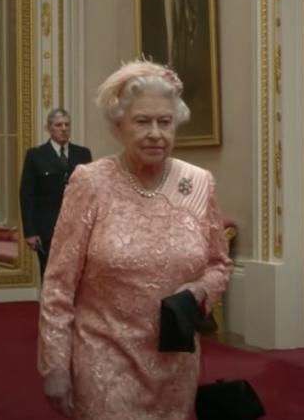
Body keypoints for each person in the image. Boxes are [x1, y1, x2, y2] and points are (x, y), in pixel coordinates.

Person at [38, 60, 232, 419]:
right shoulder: (90, 183)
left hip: (175, 363)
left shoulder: (199, 183)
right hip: (104, 358)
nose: (156, 133)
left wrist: (201, 292)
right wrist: (55, 363)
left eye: (165, 121)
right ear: (118, 126)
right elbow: (58, 284)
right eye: (143, 121)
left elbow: (219, 264)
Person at [19, 107, 92, 278]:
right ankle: (49, 306)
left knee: (76, 276)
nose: (64, 129)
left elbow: (90, 193)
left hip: (77, 226)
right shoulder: (36, 155)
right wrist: (30, 231)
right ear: (49, 128)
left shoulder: (83, 154)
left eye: (67, 124)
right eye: (59, 125)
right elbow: (27, 194)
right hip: (47, 228)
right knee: (50, 274)